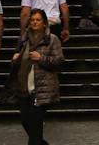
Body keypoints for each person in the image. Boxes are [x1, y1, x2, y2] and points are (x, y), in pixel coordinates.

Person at [10, 9, 63, 145]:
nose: (34, 22)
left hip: (42, 88)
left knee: (35, 124)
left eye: (38, 20)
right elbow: (17, 61)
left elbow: (59, 62)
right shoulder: (23, 39)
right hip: (24, 87)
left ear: (44, 23)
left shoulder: (52, 39)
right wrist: (16, 59)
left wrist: (41, 58)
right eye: (32, 20)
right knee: (26, 121)